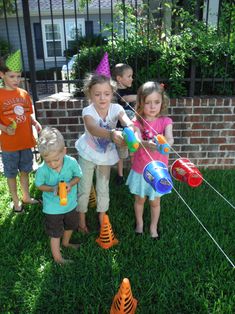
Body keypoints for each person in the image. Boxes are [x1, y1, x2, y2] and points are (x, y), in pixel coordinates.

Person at [75, 73, 135, 233]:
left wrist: (130, 127)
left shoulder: (117, 108)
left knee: (103, 187)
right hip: (87, 153)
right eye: (97, 94)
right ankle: (81, 220)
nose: (102, 98)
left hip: (105, 156)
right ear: (90, 94)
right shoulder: (87, 111)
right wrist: (110, 134)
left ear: (112, 94)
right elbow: (93, 128)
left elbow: (126, 120)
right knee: (84, 187)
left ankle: (102, 217)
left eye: (107, 94)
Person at [126, 81, 174, 239]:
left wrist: (164, 144)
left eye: (157, 102)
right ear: (141, 103)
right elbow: (137, 138)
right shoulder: (137, 121)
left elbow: (170, 138)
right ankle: (139, 223)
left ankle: (153, 227)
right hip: (141, 169)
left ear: (162, 102)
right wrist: (144, 143)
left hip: (158, 171)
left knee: (155, 202)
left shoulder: (166, 121)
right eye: (148, 103)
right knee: (140, 199)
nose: (153, 107)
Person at [0, 50, 42, 213]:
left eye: (18, 76)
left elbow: (27, 114)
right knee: (11, 174)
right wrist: (3, 128)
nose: (16, 80)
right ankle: (16, 202)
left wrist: (35, 122)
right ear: (2, 75)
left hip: (25, 141)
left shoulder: (24, 94)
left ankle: (26, 196)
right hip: (9, 144)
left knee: (25, 170)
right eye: (12, 76)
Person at [35, 127, 82, 264]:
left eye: (56, 160)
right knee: (55, 233)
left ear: (64, 151)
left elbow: (78, 176)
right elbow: (39, 185)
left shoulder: (71, 162)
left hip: (70, 204)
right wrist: (52, 189)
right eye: (48, 161)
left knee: (71, 225)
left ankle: (66, 243)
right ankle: (58, 258)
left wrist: (70, 184)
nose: (52, 164)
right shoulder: (43, 170)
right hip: (52, 208)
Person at [112, 63, 137, 185]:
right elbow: (124, 99)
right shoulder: (116, 92)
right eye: (129, 76)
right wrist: (140, 96)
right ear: (119, 78)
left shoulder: (129, 89)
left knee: (133, 151)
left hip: (131, 127)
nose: (132, 78)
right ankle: (120, 176)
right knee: (121, 154)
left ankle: (135, 174)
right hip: (121, 129)